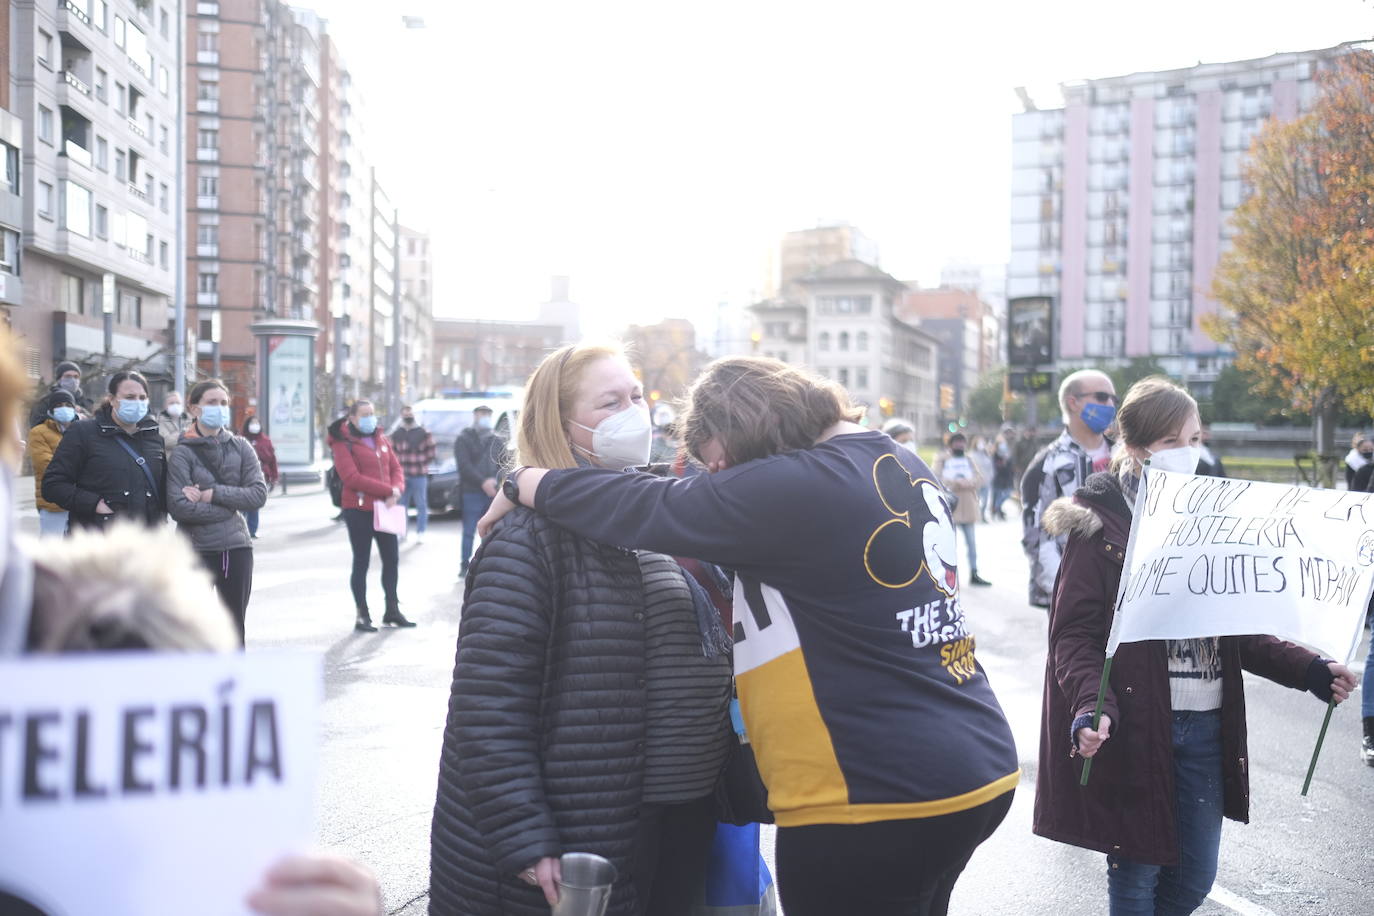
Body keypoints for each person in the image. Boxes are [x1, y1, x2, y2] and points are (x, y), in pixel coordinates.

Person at [478, 355, 1019, 916]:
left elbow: (654, 506)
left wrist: (524, 481)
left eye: (718, 462)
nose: (716, 477)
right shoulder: (887, 458)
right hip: (968, 759)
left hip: (875, 791)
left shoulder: (801, 482)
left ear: (742, 426)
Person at [1033, 376, 1357, 915]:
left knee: (1192, 881)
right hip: (1135, 724)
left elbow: (1237, 623)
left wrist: (1312, 670)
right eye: (1173, 443)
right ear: (1136, 448)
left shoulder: (1211, 513)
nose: (1190, 453)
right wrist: (1094, 705)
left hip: (1206, 726)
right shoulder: (1099, 523)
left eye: (1196, 439)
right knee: (1136, 878)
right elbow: (1073, 634)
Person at [429, 342, 732, 916]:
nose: (633, 413)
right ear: (559, 425)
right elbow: (488, 710)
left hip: (678, 817)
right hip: (588, 827)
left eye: (636, 396)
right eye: (609, 403)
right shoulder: (527, 543)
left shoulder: (646, 512)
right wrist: (526, 838)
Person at [166, 379, 266, 644]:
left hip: (236, 550)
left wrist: (213, 495)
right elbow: (179, 507)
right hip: (194, 551)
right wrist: (231, 508)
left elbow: (258, 494)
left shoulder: (241, 447)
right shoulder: (182, 453)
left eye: (223, 403)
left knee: (233, 630)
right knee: (191, 630)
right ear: (194, 408)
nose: (219, 408)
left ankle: (234, 682)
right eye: (212, 403)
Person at [1020, 371, 1117, 608]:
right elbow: (1038, 537)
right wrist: (1067, 592)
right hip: (1074, 599)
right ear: (1073, 402)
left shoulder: (1125, 457)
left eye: (1115, 399)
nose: (1111, 405)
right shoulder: (1047, 465)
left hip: (1121, 593)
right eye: (1103, 397)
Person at [43, 370, 166, 530]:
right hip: (98, 539)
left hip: (145, 541)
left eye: (142, 398)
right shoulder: (83, 432)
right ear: (112, 399)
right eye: (130, 397)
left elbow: (162, 489)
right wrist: (93, 504)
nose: (137, 402)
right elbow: (52, 485)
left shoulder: (154, 438)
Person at [328, 400, 413, 632]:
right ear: (352, 418)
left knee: (392, 559)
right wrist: (388, 491)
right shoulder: (342, 443)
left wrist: (396, 490)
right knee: (362, 562)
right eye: (365, 414)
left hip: (385, 508)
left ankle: (392, 610)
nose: (370, 418)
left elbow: (396, 469)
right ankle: (362, 614)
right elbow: (351, 478)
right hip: (358, 509)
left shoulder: (381, 438)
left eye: (372, 414)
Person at [934, 432, 990, 586]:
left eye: (962, 443)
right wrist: (956, 483)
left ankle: (974, 572)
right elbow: (936, 477)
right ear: (951, 444)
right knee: (949, 545)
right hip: (951, 505)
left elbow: (979, 478)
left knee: (971, 543)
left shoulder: (969, 459)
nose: (960, 445)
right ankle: (949, 577)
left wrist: (969, 482)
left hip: (968, 505)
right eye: (957, 442)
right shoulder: (942, 459)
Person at [453, 404, 503, 576]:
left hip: (492, 493)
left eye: (488, 414)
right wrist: (483, 482)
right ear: (475, 415)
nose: (486, 417)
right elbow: (464, 466)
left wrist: (494, 482)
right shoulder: (464, 438)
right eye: (482, 414)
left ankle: (488, 562)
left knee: (491, 529)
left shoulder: (497, 439)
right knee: (469, 530)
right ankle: (464, 564)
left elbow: (504, 464)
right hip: (471, 491)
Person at [27, 389, 78, 537]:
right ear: (51, 409)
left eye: (68, 404)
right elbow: (44, 464)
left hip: (77, 501)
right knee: (51, 547)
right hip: (52, 502)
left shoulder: (81, 430)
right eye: (59, 405)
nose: (64, 408)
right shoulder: (39, 432)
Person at [391, 404, 436, 543]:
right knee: (401, 505)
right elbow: (392, 454)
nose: (408, 416)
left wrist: (422, 462)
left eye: (410, 414)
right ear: (401, 416)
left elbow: (432, 451)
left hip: (419, 474)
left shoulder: (423, 432)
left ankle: (420, 532)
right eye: (405, 414)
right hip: (402, 476)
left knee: (421, 504)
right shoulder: (396, 434)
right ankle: (402, 532)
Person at [27, 359, 93, 429]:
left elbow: (94, 422)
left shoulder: (86, 403)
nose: (73, 380)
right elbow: (36, 423)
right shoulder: (46, 401)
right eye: (68, 376)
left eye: (76, 377)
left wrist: (83, 413)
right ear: (59, 379)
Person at [242, 414, 279, 538]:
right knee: (241, 504)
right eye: (252, 422)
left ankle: (252, 530)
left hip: (261, 476)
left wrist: (274, 477)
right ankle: (241, 529)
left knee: (254, 504)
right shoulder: (241, 438)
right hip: (242, 476)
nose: (254, 425)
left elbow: (272, 459)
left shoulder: (265, 440)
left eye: (256, 422)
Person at [990, 429, 1015, 521]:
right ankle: (996, 510)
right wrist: (1002, 463)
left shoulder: (1007, 453)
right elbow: (995, 466)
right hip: (998, 477)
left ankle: (996, 507)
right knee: (997, 495)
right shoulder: (995, 454)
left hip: (1007, 476)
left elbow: (1011, 464)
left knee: (1008, 493)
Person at [969, 434, 995, 522]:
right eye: (979, 442)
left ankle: (983, 515)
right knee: (976, 500)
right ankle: (976, 516)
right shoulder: (971, 455)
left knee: (985, 500)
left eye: (983, 442)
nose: (981, 444)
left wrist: (990, 476)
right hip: (977, 482)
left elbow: (990, 467)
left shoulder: (986, 454)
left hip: (987, 480)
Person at [158, 391, 190, 455]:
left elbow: (195, 438)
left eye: (178, 403)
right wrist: (184, 433)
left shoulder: (189, 419)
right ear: (165, 406)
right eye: (171, 403)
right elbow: (166, 442)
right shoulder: (159, 421)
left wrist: (174, 435)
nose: (175, 405)